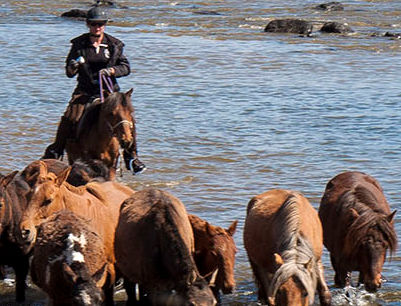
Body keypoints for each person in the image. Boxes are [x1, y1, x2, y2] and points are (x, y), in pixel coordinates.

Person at [42, 6, 146, 174]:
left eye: (101, 24)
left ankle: (132, 157)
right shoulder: (79, 44)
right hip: (85, 91)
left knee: (126, 119)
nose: (97, 27)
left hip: (110, 92)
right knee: (70, 115)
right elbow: (69, 73)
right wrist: (73, 66)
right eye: (94, 24)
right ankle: (56, 150)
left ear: (104, 25)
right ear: (88, 25)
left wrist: (111, 71)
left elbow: (125, 67)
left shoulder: (114, 44)